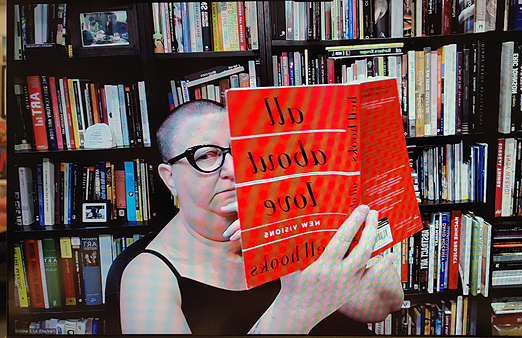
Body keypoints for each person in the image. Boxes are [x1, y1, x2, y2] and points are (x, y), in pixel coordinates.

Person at [105, 100, 404, 335]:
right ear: (170, 178)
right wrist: (296, 308)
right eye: (206, 156)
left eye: (240, 152)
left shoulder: (288, 221)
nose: (233, 170)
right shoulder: (146, 275)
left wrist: (377, 282)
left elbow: (379, 308)